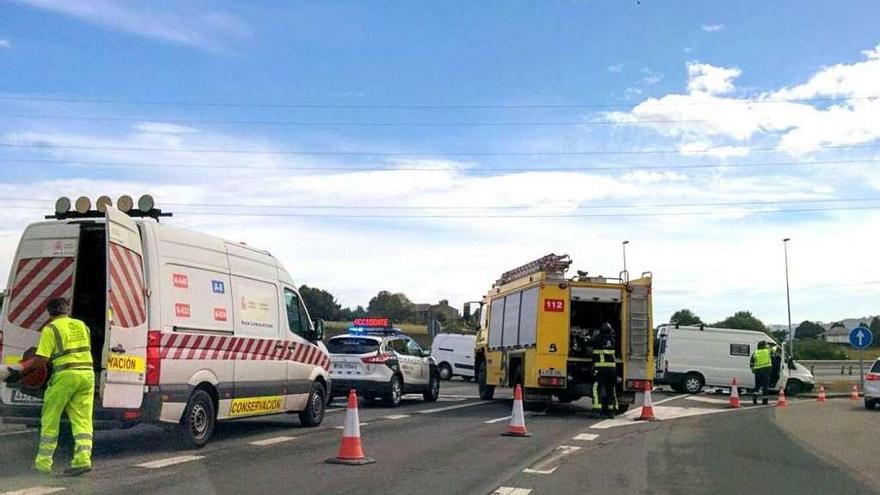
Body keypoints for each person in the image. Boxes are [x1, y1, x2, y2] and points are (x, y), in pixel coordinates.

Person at [27, 297, 95, 476]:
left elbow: (41, 359)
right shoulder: (82, 326)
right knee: (83, 420)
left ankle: (43, 464)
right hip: (87, 375)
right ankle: (82, 460)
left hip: (65, 375)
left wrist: (22, 373)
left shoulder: (50, 329)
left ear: (49, 313)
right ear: (67, 309)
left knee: (51, 417)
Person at [591, 322, 619, 418]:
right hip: (611, 369)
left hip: (600, 369)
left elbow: (590, 343)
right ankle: (611, 411)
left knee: (596, 388)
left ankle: (597, 409)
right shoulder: (612, 340)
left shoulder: (598, 339)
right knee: (611, 389)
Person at [750, 341, 772, 405]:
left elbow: (751, 363)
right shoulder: (767, 351)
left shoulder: (755, 353)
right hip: (766, 370)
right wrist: (770, 344)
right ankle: (765, 401)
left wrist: (753, 370)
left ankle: (755, 398)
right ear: (764, 346)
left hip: (758, 371)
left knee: (757, 385)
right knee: (765, 386)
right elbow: (775, 348)